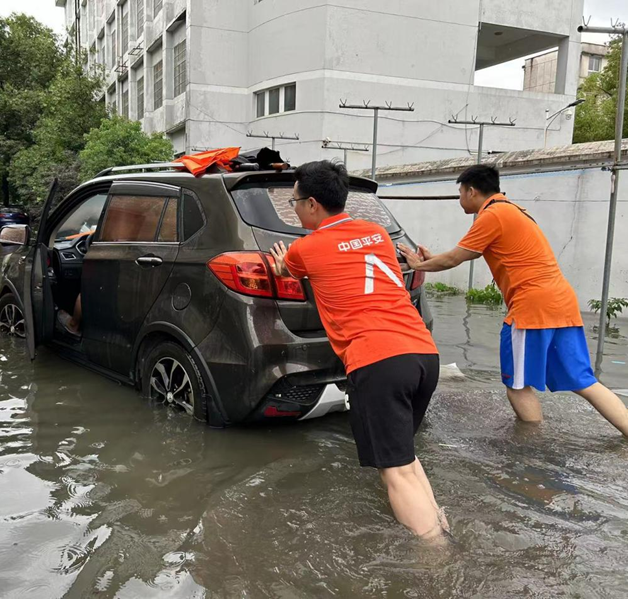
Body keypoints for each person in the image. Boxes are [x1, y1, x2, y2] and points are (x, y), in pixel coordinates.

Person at [269, 161, 447, 539]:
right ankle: (441, 530)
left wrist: (281, 263)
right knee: (407, 461)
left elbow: (287, 270)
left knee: (395, 471)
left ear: (313, 204)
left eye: (294, 201)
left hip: (377, 360)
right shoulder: (378, 233)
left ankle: (435, 563)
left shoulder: (306, 247)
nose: (293, 208)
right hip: (422, 354)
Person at [398, 165, 628, 437]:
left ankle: (531, 454)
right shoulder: (517, 212)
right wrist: (432, 259)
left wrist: (419, 264)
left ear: (472, 191)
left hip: (532, 307)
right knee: (584, 381)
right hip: (563, 303)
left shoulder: (493, 215)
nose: (460, 199)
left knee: (517, 384)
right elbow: (461, 255)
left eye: (460, 193)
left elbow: (455, 258)